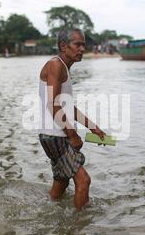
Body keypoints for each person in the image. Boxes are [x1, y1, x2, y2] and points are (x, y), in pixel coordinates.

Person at [38, 28, 106, 210]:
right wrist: (73, 135)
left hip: (54, 134)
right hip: (55, 135)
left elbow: (68, 106)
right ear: (63, 46)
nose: (82, 49)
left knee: (61, 183)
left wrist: (93, 128)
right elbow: (53, 104)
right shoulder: (56, 65)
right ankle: (78, 229)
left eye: (84, 44)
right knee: (83, 181)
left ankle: (44, 212)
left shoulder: (64, 68)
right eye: (78, 44)